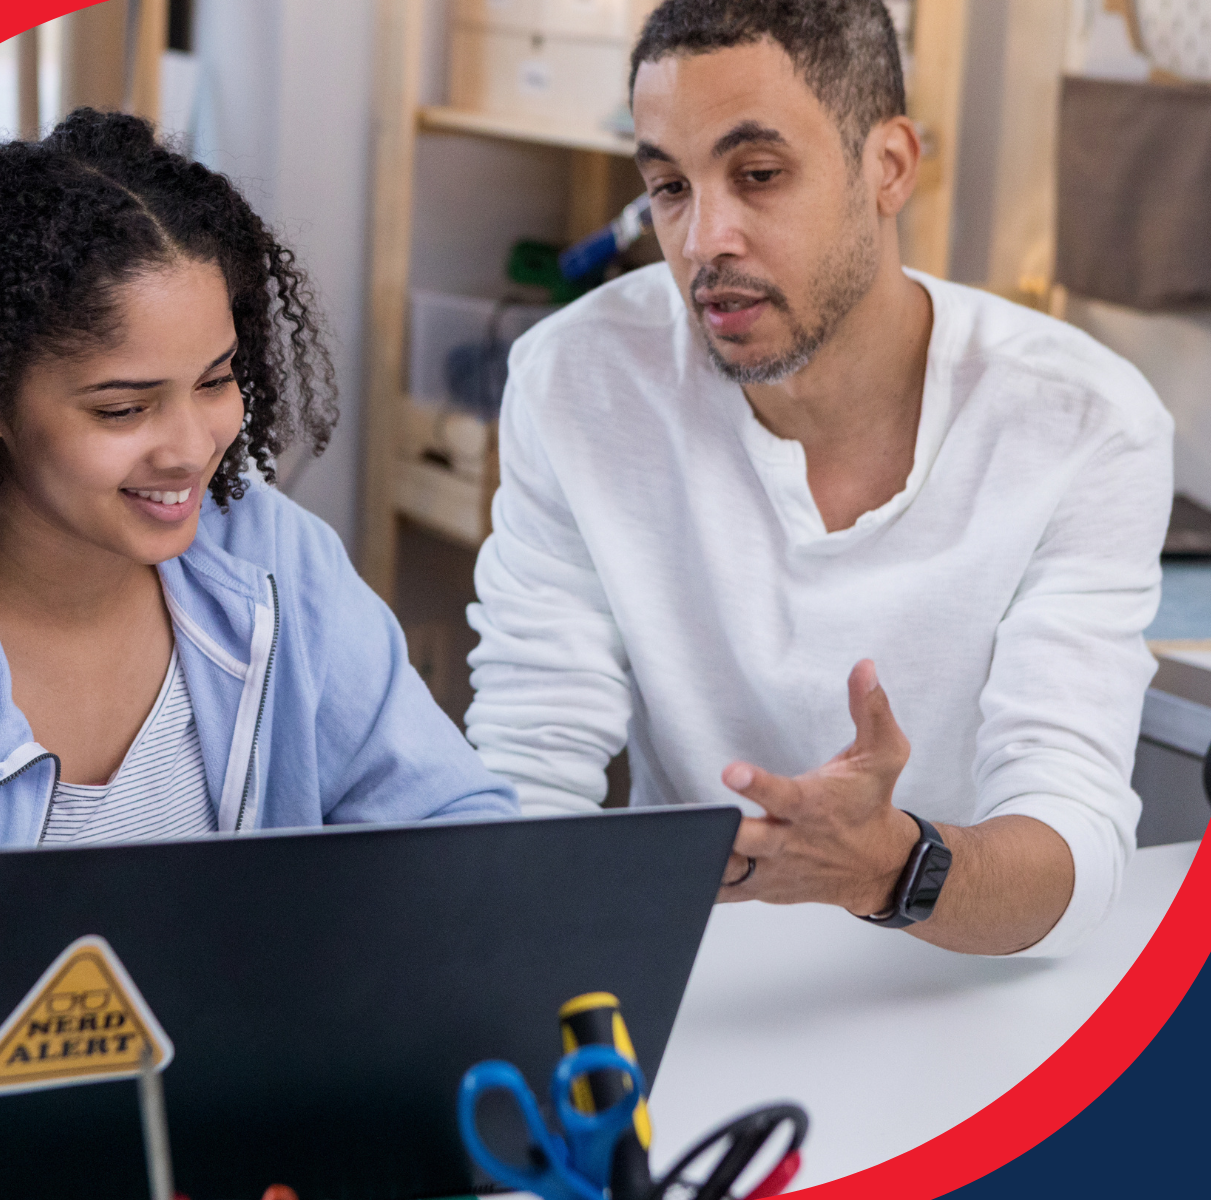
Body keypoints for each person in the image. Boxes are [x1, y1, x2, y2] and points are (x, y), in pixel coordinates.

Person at [0, 109, 516, 1075]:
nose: (193, 446)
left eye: (215, 381)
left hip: (226, 1115)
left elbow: (463, 839)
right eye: (122, 408)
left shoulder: (276, 562)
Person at [465, 0, 1171, 957]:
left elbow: (1072, 843)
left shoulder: (1082, 421)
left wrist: (888, 865)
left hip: (964, 970)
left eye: (758, 176)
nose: (703, 239)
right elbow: (529, 765)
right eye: (670, 187)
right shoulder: (576, 379)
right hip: (695, 973)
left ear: (888, 167)